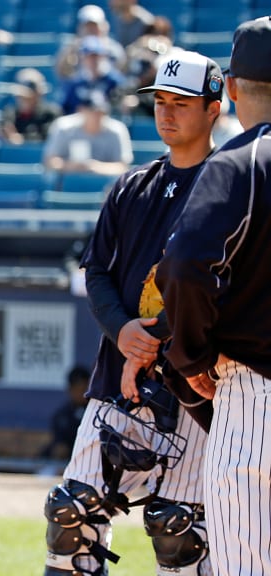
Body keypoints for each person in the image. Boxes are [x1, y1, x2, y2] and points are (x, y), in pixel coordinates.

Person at [42, 50, 222, 576]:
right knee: (71, 514)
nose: (167, 112)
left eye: (181, 103)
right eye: (160, 101)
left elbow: (224, 284)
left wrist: (155, 340)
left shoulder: (230, 188)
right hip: (119, 383)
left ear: (214, 108)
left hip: (196, 387)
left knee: (179, 530)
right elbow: (95, 271)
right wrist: (123, 332)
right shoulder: (132, 185)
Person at [155, 17, 271, 574]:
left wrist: (191, 356)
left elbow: (183, 266)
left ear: (232, 89)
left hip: (253, 398)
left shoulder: (241, 161)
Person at [44, 90, 133, 176]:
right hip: (67, 181)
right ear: (81, 110)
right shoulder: (63, 127)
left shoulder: (117, 130)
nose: (97, 115)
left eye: (100, 112)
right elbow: (50, 161)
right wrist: (75, 166)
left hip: (106, 184)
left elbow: (123, 166)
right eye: (92, 111)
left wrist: (94, 167)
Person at [39, 365, 90, 461]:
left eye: (84, 389)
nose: (82, 394)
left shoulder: (96, 413)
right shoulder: (62, 415)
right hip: (67, 462)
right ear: (70, 389)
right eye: (78, 389)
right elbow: (59, 446)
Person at [0, 67, 63, 144]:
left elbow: (48, 138)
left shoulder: (51, 114)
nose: (23, 100)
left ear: (39, 95)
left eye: (29, 96)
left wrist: (22, 140)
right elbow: (1, 131)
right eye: (21, 96)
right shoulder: (10, 113)